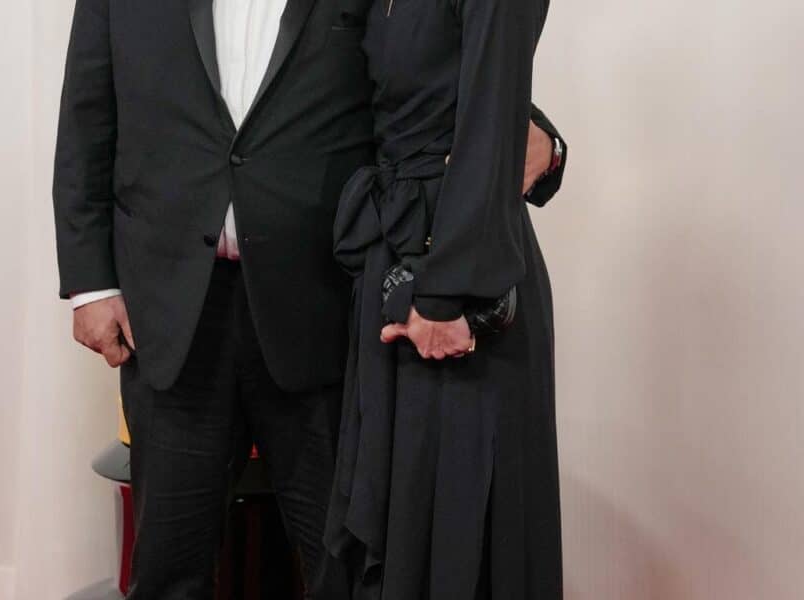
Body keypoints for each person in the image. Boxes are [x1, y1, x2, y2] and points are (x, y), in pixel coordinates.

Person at [52, 1, 566, 598]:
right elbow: (87, 114)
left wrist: (540, 141)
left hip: (324, 309)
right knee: (168, 568)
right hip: (169, 316)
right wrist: (91, 283)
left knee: (342, 569)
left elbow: (425, 78)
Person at [324, 0, 563, 598]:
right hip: (395, 254)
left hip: (458, 282)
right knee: (400, 519)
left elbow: (489, 108)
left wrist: (445, 296)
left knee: (461, 525)